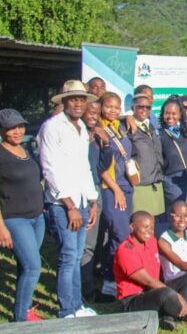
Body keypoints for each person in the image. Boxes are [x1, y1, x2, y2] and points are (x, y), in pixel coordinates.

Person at [38, 80, 99, 318]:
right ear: (64, 101)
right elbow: (49, 168)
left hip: (83, 200)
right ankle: (66, 309)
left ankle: (77, 305)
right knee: (67, 256)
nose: (78, 103)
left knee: (76, 254)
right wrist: (70, 205)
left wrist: (92, 202)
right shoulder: (52, 127)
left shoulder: (81, 128)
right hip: (63, 204)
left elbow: (84, 168)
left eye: (82, 99)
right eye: (73, 99)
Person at [0, 109, 45, 322]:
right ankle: (21, 317)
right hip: (16, 219)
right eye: (10, 128)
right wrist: (1, 228)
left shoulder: (26, 150)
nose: (16, 131)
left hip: (37, 217)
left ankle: (24, 308)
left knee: (25, 265)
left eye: (19, 126)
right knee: (34, 266)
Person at [114, 211, 187, 331]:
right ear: (132, 227)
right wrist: (177, 296)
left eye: (152, 228)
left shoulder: (151, 241)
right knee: (166, 293)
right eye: (145, 227)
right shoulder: (125, 250)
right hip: (133, 300)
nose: (149, 231)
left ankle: (169, 315)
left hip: (153, 291)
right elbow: (148, 281)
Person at [97, 92, 135, 299]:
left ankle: (110, 283)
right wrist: (116, 190)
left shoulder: (120, 128)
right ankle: (116, 280)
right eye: (108, 106)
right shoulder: (99, 130)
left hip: (126, 185)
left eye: (116, 107)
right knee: (120, 234)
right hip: (111, 188)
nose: (112, 110)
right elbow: (101, 167)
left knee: (117, 237)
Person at [80, 99, 107, 302]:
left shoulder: (97, 136)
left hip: (97, 189)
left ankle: (91, 281)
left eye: (96, 113)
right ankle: (86, 291)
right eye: (89, 111)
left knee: (97, 239)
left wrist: (105, 144)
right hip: (82, 192)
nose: (92, 115)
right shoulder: (76, 135)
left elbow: (103, 165)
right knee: (86, 244)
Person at [128, 93, 165, 217]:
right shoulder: (128, 126)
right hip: (140, 185)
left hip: (156, 182)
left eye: (148, 107)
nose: (144, 110)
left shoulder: (151, 126)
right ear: (133, 107)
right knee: (139, 222)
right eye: (140, 107)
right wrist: (126, 117)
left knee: (153, 224)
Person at [159, 98, 187, 212]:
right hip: (172, 181)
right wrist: (165, 181)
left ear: (180, 115)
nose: (170, 116)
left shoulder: (183, 133)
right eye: (167, 113)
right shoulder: (159, 135)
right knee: (178, 212)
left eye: (174, 113)